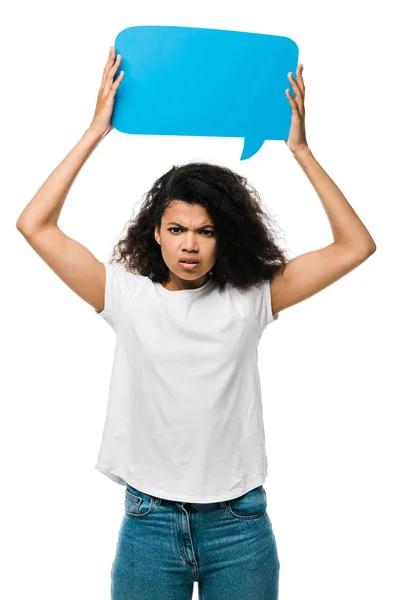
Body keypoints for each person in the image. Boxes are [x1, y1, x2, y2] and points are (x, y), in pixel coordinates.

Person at [16, 46, 376, 600]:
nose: (189, 244)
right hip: (150, 524)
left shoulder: (253, 297)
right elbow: (34, 224)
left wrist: (300, 150)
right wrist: (96, 131)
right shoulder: (125, 295)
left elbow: (356, 246)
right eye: (177, 228)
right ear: (155, 233)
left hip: (239, 526)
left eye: (206, 231)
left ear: (223, 239)